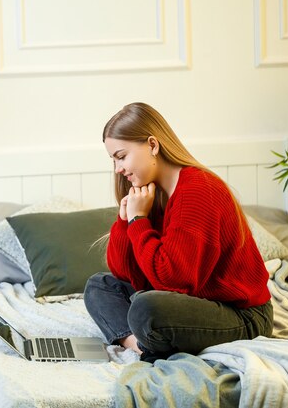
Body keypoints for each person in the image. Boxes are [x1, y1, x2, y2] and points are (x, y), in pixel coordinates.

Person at [84, 102, 273, 363]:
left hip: (241, 315)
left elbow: (174, 280)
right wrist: (126, 217)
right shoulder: (150, 193)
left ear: (152, 145)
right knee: (100, 286)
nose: (118, 169)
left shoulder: (198, 189)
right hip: (189, 303)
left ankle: (149, 340)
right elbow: (124, 272)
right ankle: (141, 346)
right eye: (113, 160)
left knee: (146, 308)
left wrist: (139, 221)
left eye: (121, 156)